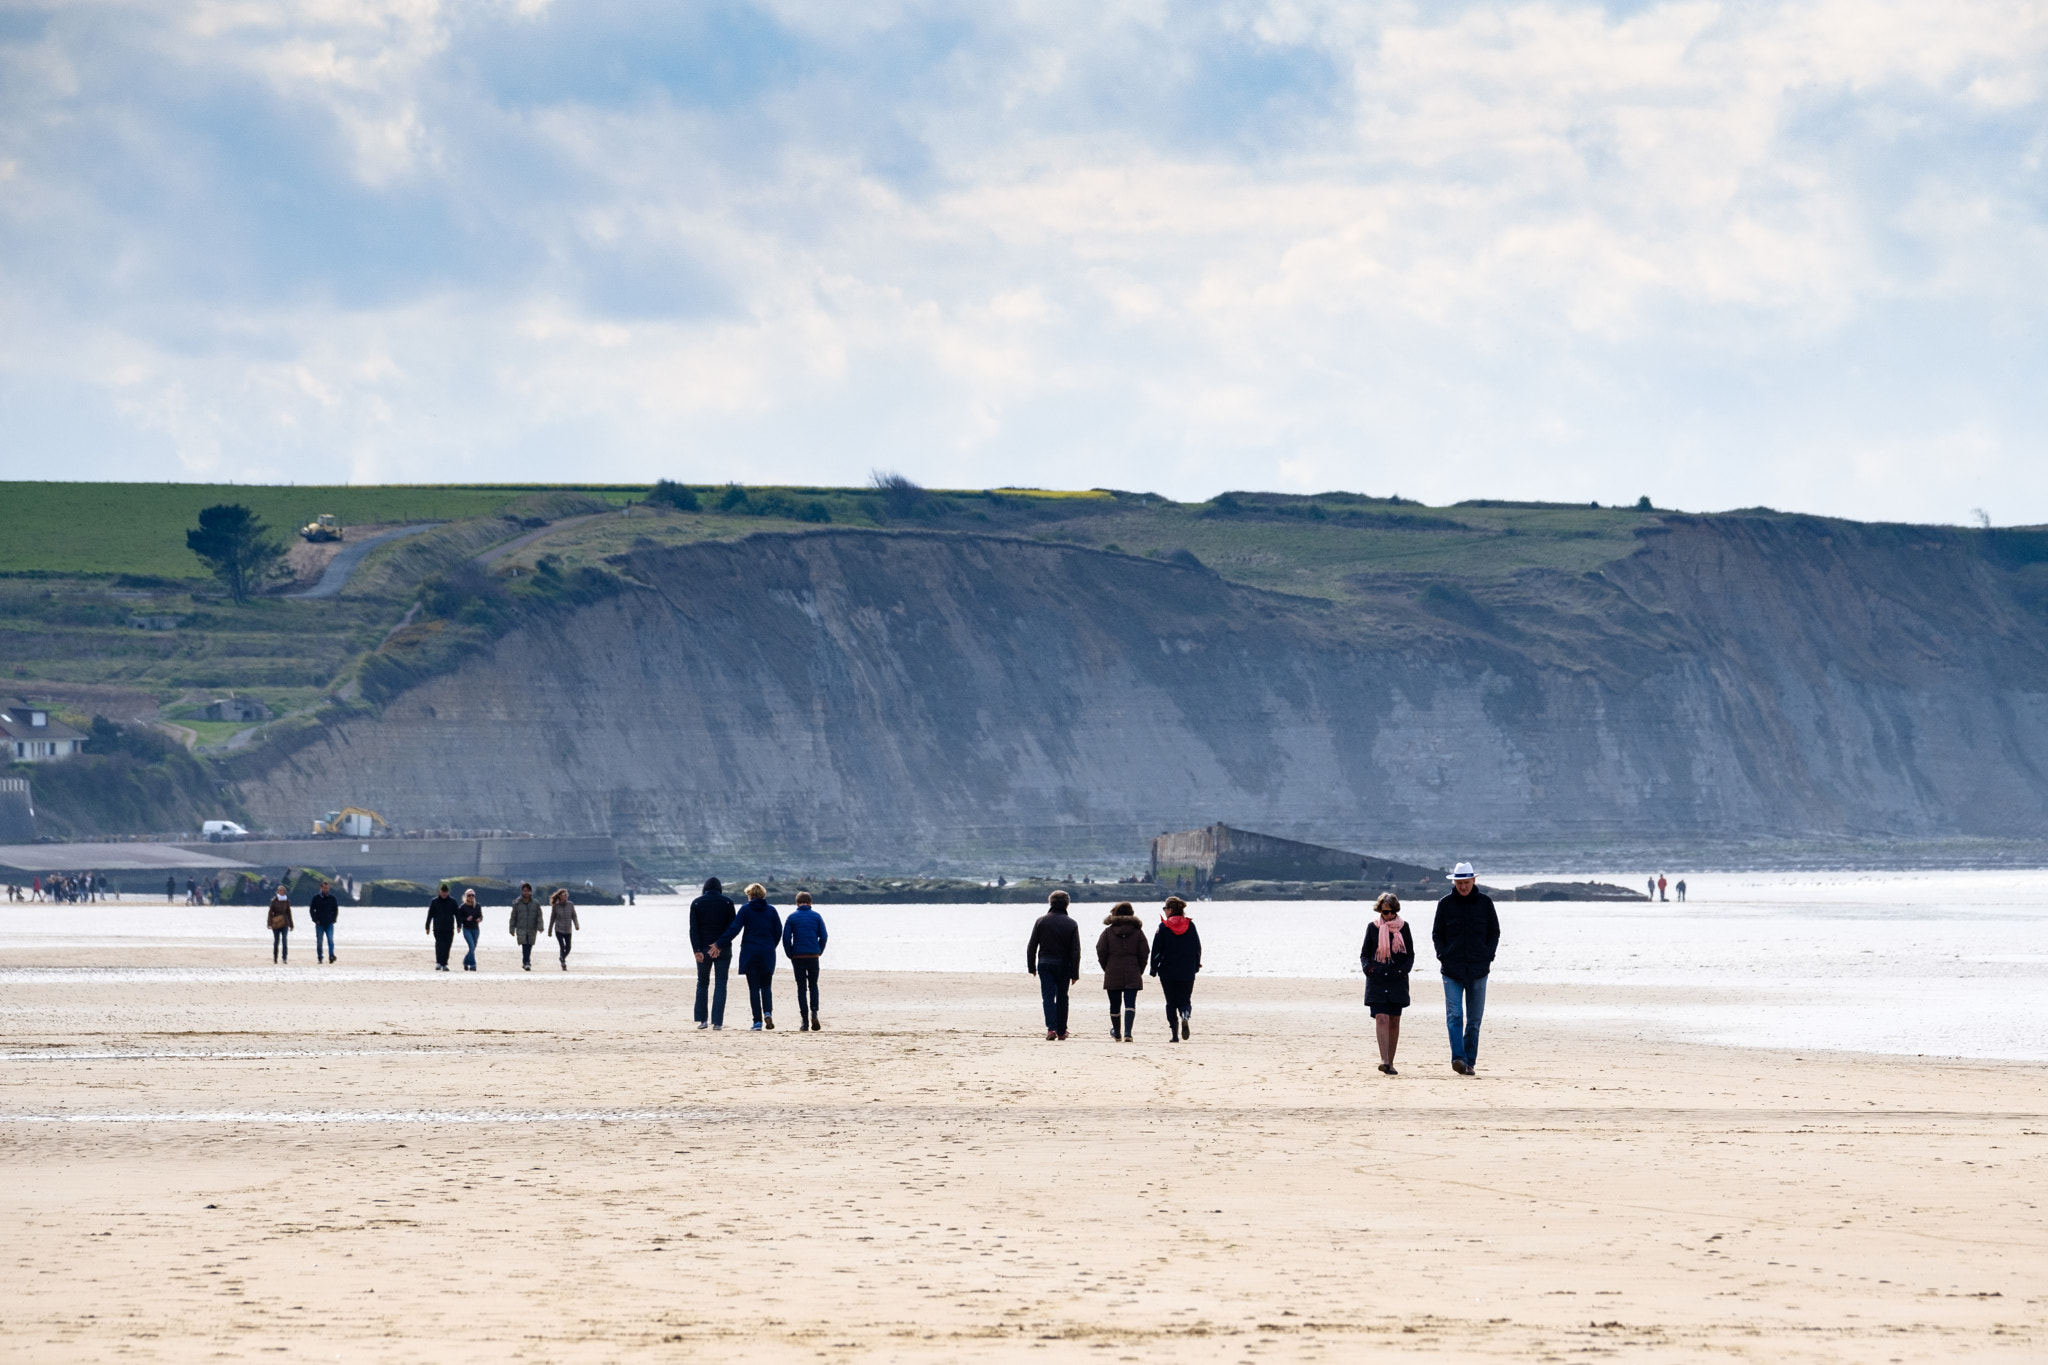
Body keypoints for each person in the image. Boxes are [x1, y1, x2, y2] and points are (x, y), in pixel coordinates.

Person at [1433, 862, 1501, 1076]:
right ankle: (1458, 1058)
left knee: (1474, 1020)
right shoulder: (1445, 904)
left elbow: (1494, 932)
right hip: (1451, 970)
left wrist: (1488, 955)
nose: (1463, 887)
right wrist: (1442, 955)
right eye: (1459, 883)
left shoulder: (1485, 903)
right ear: (1454, 882)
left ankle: (1469, 1061)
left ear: (1474, 881)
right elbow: (1437, 934)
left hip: (1479, 969)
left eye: (1466, 882)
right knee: (1454, 1015)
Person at [1362, 892, 1414, 1075]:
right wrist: (1370, 969)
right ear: (1380, 911)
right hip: (1377, 980)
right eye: (1385, 912)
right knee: (1381, 1017)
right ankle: (1384, 1060)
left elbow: (1410, 955)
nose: (1389, 915)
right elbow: (1365, 955)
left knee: (1394, 1021)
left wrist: (1402, 971)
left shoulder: (1404, 928)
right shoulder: (1372, 928)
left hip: (1396, 981)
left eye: (1392, 911)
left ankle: (1390, 1062)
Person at [717, 884, 782, 1029]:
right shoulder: (771, 910)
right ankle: (767, 1013)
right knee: (766, 986)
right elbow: (778, 931)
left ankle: (757, 1022)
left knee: (753, 988)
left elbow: (734, 929)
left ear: (750, 896)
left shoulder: (746, 909)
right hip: (767, 952)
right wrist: (771, 946)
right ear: (763, 895)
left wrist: (719, 943)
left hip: (750, 952)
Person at [1025, 890, 1081, 1040]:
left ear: (1050, 903)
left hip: (1045, 964)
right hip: (1064, 965)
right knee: (1063, 996)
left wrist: (1031, 967)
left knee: (1048, 997)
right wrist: (1075, 973)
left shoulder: (1041, 921)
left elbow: (1032, 946)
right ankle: (1062, 1031)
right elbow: (1075, 950)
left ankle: (1051, 1029)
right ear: (1067, 904)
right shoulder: (1071, 923)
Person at [1149, 896, 1202, 1041]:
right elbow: (1197, 947)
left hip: (1168, 970)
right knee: (1185, 1000)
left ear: (1170, 909)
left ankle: (1174, 1035)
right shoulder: (1190, 926)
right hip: (1187, 970)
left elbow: (1156, 950)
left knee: (1171, 1002)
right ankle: (1185, 1015)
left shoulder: (1163, 927)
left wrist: (1153, 968)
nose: (1164, 911)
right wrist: (1196, 965)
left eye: (1165, 908)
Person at [1095, 901, 1148, 1042]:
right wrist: (1139, 969)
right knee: (1130, 1004)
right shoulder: (1138, 932)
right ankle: (1128, 1032)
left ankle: (1117, 1032)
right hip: (1132, 970)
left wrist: (1107, 967)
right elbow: (1144, 952)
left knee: (1114, 1004)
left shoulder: (1107, 932)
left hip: (1113, 970)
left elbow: (1100, 950)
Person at [690, 877, 737, 1030]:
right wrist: (719, 945)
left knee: (702, 983)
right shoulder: (728, 902)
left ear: (705, 888)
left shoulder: (697, 903)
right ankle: (717, 1023)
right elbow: (731, 929)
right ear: (719, 888)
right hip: (723, 949)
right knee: (721, 984)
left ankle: (702, 1020)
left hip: (703, 949)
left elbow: (693, 929)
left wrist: (696, 950)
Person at [782, 891, 829, 1030]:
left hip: (798, 956)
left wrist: (789, 953)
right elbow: (824, 936)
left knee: (801, 988)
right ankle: (814, 1012)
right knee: (813, 985)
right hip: (813, 955)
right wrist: (819, 950)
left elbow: (786, 938)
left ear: (797, 903)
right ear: (810, 903)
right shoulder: (817, 916)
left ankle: (804, 1021)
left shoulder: (791, 917)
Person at [507, 882, 543, 970]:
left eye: (527, 891)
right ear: (522, 891)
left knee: (529, 945)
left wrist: (540, 926)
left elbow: (539, 916)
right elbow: (513, 916)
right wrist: (512, 928)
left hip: (532, 928)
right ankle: (527, 962)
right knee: (524, 945)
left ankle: (526, 962)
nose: (525, 893)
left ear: (530, 892)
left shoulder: (535, 903)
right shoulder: (517, 903)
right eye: (524, 891)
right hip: (521, 928)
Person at [425, 883, 460, 971]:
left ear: (448, 892)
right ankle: (439, 963)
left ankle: (444, 964)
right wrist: (427, 926)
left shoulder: (453, 902)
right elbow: (430, 915)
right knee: (439, 945)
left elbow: (457, 914)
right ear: (439, 892)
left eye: (446, 892)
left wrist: (459, 925)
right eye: (442, 892)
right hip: (438, 928)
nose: (444, 894)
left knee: (447, 946)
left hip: (449, 928)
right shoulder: (434, 901)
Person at [308, 880, 340, 964]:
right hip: (320, 923)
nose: (326, 889)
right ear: (321, 888)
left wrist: (333, 919)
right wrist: (315, 920)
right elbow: (312, 910)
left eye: (327, 888)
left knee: (330, 940)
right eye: (324, 888)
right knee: (319, 941)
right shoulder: (316, 898)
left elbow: (335, 910)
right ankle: (320, 957)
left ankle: (331, 956)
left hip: (329, 923)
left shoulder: (332, 898)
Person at [548, 888, 579, 969]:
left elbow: (574, 915)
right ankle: (563, 963)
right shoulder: (556, 906)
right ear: (560, 896)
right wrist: (550, 930)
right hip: (559, 930)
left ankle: (562, 958)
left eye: (567, 895)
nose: (566, 896)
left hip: (568, 930)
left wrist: (576, 924)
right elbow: (552, 918)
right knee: (562, 946)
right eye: (564, 895)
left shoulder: (570, 904)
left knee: (568, 947)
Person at [456, 888, 482, 971]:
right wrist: (465, 919)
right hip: (467, 929)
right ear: (466, 896)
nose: (471, 897)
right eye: (469, 895)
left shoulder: (477, 906)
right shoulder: (462, 907)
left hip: (475, 929)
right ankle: (473, 965)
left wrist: (479, 919)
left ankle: (465, 961)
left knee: (473, 947)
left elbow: (480, 916)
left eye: (472, 895)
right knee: (471, 946)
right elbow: (459, 918)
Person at [266, 886, 293, 964]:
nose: (281, 892)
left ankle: (284, 958)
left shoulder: (286, 901)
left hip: (285, 922)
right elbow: (270, 912)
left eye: (282, 891)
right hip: (276, 923)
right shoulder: (274, 901)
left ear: (285, 892)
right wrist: (269, 923)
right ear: (277, 892)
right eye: (280, 891)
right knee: (276, 941)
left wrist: (291, 924)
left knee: (284, 940)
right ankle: (275, 957)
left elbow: (289, 912)